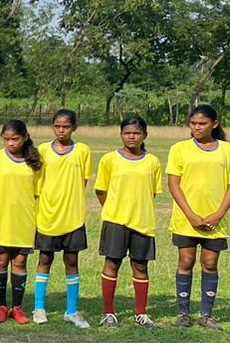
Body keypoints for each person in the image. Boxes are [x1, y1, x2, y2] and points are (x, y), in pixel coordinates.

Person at [166, 104, 230, 330]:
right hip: (186, 220)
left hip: (216, 221)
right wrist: (191, 215)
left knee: (210, 263)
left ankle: (206, 315)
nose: (197, 127)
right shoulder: (179, 149)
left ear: (214, 124)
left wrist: (219, 214)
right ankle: (184, 313)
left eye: (202, 123)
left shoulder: (226, 150)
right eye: (193, 123)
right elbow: (173, 183)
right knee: (186, 262)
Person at [95, 116, 161, 328]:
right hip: (116, 221)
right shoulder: (109, 159)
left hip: (142, 221)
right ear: (121, 134)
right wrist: (115, 209)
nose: (131, 136)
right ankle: (108, 313)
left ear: (144, 135)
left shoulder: (152, 161)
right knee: (112, 263)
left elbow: (152, 193)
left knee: (140, 266)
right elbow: (101, 190)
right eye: (127, 133)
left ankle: (141, 314)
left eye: (136, 133)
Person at [31, 109, 92, 328]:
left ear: (74, 127)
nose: (61, 130)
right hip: (48, 215)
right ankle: (39, 308)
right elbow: (37, 184)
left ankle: (72, 311)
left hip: (73, 217)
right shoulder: (44, 150)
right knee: (44, 260)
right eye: (57, 126)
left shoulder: (82, 151)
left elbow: (82, 181)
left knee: (72, 261)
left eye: (66, 126)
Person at [0, 119, 42, 324]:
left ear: (25, 138)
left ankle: (17, 307)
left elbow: (36, 193)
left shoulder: (33, 161)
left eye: (15, 139)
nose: (10, 143)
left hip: (24, 219)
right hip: (0, 218)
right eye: (6, 139)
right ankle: (0, 307)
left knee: (20, 262)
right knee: (0, 260)